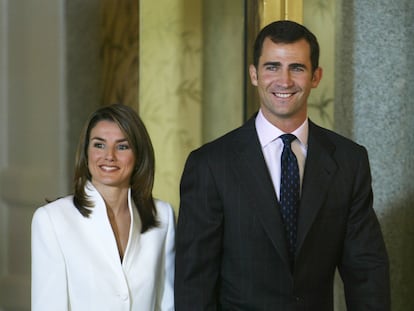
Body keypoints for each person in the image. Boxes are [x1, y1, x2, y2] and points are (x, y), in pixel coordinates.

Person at [175, 20, 390, 310]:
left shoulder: (349, 161)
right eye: (272, 67)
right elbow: (194, 284)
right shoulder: (210, 165)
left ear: (316, 76)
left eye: (297, 68)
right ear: (254, 74)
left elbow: (366, 271)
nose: (284, 81)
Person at [31, 104, 175, 311]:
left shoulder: (163, 216)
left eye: (122, 146)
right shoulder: (52, 220)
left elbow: (167, 304)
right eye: (99, 145)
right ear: (86, 152)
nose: (109, 155)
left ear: (139, 156)